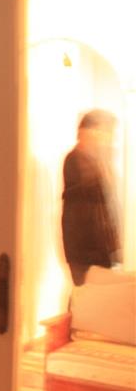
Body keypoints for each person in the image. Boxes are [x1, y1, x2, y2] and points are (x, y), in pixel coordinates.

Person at [61, 109, 121, 285]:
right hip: (84, 250)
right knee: (86, 294)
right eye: (106, 131)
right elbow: (90, 191)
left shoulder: (94, 161)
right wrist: (105, 162)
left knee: (95, 294)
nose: (108, 138)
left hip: (96, 249)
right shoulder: (75, 159)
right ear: (89, 131)